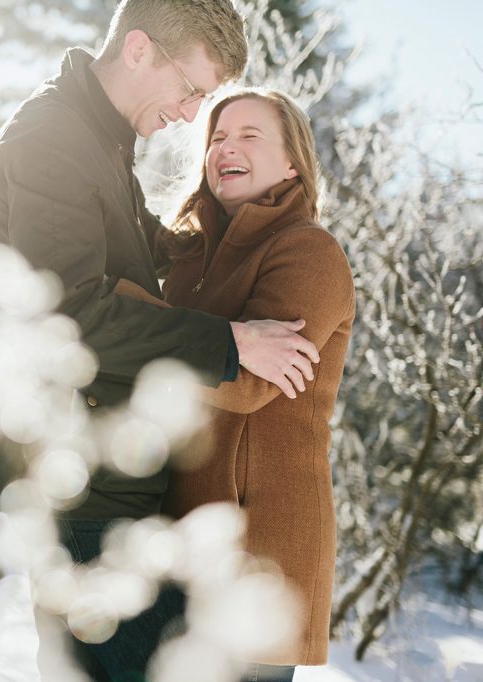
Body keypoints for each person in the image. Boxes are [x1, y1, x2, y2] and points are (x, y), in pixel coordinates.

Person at [0, 1, 322, 679]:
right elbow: (73, 315)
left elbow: (135, 259)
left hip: (103, 475)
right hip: (78, 480)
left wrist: (229, 229)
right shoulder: (54, 141)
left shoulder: (96, 137)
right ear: (139, 51)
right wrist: (232, 342)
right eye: (192, 91)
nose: (193, 117)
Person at [154, 89, 356, 681]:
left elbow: (244, 384)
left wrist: (123, 310)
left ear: (293, 162)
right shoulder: (189, 256)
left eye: (249, 136)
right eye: (217, 137)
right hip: (181, 533)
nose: (226, 147)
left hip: (262, 544)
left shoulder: (308, 252)